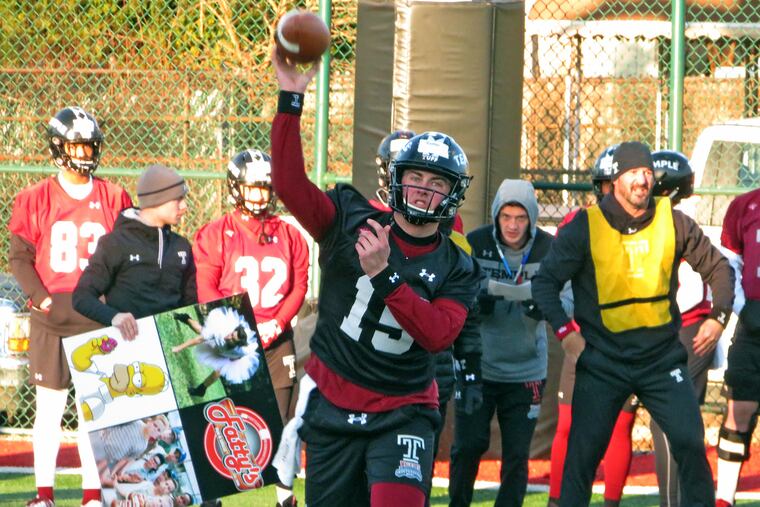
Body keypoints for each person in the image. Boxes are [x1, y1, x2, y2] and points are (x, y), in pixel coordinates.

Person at [270, 51, 480, 507]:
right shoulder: (349, 217)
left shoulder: (457, 265)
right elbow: (288, 185)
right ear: (396, 179)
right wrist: (290, 98)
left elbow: (437, 334)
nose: (425, 188)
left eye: (438, 182)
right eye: (416, 176)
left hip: (404, 409)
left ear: (453, 194)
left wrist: (385, 276)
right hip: (335, 400)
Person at [532, 141, 734, 506]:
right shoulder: (585, 226)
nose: (642, 180)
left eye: (646, 172)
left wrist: (718, 317)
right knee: (581, 458)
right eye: (633, 173)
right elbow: (544, 284)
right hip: (603, 362)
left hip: (661, 361)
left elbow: (719, 268)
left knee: (690, 443)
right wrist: (565, 334)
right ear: (616, 179)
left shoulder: (672, 220)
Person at [9, 106, 133, 507]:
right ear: (59, 147)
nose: (84, 152)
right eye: (77, 144)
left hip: (96, 318)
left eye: (89, 144)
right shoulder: (34, 198)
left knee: (93, 412)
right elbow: (19, 256)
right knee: (48, 410)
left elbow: (129, 255)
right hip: (52, 317)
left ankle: (92, 495)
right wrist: (39, 297)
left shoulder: (115, 196)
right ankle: (44, 494)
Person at [192, 148, 309, 507]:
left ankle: (285, 497)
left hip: (276, 340)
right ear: (235, 188)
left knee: (285, 423)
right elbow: (206, 285)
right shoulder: (216, 234)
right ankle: (214, 497)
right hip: (228, 340)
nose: (259, 195)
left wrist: (278, 322)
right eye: (252, 188)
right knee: (219, 415)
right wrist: (230, 328)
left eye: (265, 188)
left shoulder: (290, 235)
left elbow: (300, 285)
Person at [448, 178, 553, 507]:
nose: (512, 225)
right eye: (506, 216)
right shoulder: (476, 242)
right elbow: (456, 289)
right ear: (495, 215)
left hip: (527, 369)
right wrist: (478, 302)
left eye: (520, 218)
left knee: (518, 455)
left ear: (532, 218)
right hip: (479, 364)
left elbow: (568, 299)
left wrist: (545, 307)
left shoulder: (548, 248)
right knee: (468, 445)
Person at [548, 145, 637, 507]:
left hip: (631, 339)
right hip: (586, 337)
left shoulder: (650, 224)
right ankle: (557, 501)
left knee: (620, 425)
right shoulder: (577, 222)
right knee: (568, 423)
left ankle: (611, 502)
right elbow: (559, 280)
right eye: (606, 185)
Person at [649, 149, 716, 507]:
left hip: (687, 328)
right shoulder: (674, 215)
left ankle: (674, 502)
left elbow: (687, 290)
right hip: (684, 328)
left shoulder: (675, 220)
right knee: (681, 424)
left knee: (669, 420)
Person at [73, 164, 196, 340]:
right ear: (157, 200)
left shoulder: (181, 247)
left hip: (170, 345)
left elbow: (190, 302)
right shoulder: (116, 243)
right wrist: (114, 317)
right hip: (129, 346)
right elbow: (81, 297)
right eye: (178, 199)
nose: (184, 206)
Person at [715, 186, 760, 507]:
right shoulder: (744, 205)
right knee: (738, 410)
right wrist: (743, 308)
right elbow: (730, 264)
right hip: (752, 327)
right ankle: (724, 500)